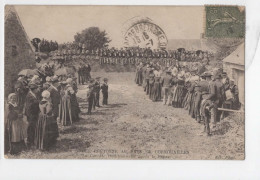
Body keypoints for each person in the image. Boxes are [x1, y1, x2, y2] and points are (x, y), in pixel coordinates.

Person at [24, 83, 40, 148]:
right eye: (37, 89)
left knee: (33, 128)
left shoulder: (33, 94)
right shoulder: (29, 96)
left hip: (34, 114)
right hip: (31, 114)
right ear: (34, 89)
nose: (38, 90)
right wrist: (37, 102)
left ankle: (32, 141)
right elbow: (29, 106)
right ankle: (29, 142)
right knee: (31, 128)